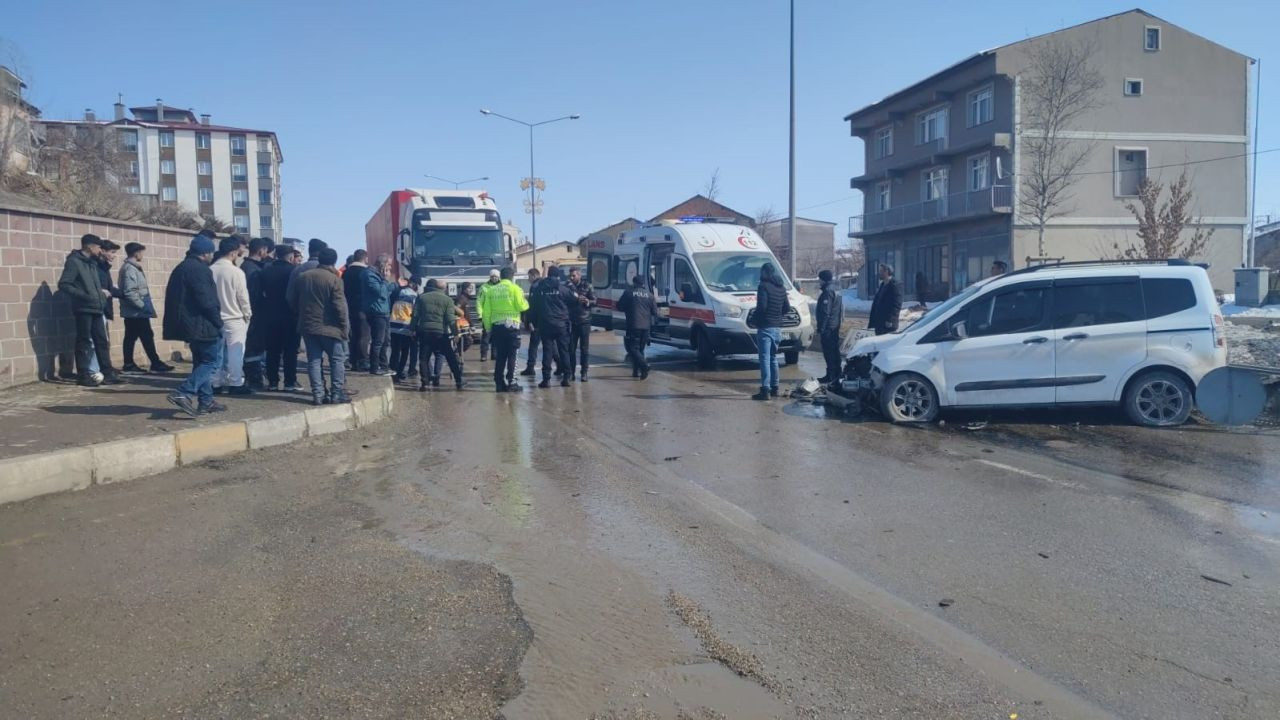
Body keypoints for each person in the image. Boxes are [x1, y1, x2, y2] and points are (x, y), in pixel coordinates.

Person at [163, 234, 225, 417]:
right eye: (211, 253)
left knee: (200, 362)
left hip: (189, 325)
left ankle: (206, 401)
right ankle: (183, 393)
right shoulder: (200, 270)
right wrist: (218, 321)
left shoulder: (181, 267)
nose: (212, 256)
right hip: (202, 324)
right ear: (205, 253)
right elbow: (206, 300)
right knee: (210, 362)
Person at [287, 247, 351, 405]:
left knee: (314, 361)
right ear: (334, 261)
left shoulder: (303, 277)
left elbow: (291, 299)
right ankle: (336, 393)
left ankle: (318, 395)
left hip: (308, 326)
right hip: (331, 327)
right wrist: (345, 328)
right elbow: (340, 307)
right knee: (337, 360)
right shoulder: (334, 279)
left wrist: (301, 314)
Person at [57, 234, 121, 386]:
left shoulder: (92, 263)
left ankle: (107, 373)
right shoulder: (74, 262)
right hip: (83, 308)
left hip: (97, 307)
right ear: (90, 246)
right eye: (99, 247)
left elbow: (97, 284)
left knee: (101, 341)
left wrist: (99, 295)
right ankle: (83, 375)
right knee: (84, 341)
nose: (100, 250)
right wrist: (84, 296)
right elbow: (64, 284)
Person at [118, 242, 173, 374]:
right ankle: (137, 364)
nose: (143, 255)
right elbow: (130, 292)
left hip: (136, 311)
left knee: (140, 336)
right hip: (136, 312)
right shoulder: (130, 269)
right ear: (136, 253)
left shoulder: (133, 268)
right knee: (140, 336)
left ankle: (149, 362)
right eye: (142, 252)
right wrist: (142, 306)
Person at [210, 237, 253, 395]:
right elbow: (243, 296)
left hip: (215, 317)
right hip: (235, 317)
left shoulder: (210, 270)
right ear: (234, 252)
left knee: (216, 352)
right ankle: (235, 382)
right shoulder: (236, 272)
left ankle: (215, 382)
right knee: (236, 352)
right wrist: (247, 314)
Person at [477, 266, 528, 392]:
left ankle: (499, 383)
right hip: (512, 326)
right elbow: (522, 306)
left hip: (497, 327)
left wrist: (488, 328)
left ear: (501, 276)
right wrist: (526, 302)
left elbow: (486, 312)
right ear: (512, 276)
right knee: (512, 355)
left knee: (500, 356)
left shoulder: (492, 290)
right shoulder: (515, 288)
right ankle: (512, 382)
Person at [261, 245, 303, 392]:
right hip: (290, 316)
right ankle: (290, 382)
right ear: (291, 257)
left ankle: (273, 382)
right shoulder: (294, 271)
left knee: (272, 351)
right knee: (290, 351)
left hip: (270, 315)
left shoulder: (266, 270)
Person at [412, 279, 467, 391]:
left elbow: (415, 315)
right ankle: (459, 381)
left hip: (425, 332)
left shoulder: (422, 298)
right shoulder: (447, 300)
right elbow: (451, 319)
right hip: (441, 333)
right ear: (444, 289)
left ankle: (425, 383)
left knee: (423, 358)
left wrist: (412, 329)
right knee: (450, 357)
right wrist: (456, 333)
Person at [529, 265, 576, 388]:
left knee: (547, 352)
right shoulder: (563, 289)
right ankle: (566, 378)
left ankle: (546, 379)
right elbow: (574, 301)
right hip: (561, 324)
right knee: (563, 351)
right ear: (557, 275)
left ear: (548, 274)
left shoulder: (539, 289)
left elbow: (533, 307)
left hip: (545, 324)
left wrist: (532, 322)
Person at [752, 263, 790, 401]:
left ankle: (765, 390)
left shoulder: (763, 286)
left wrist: (755, 319)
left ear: (764, 273)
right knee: (773, 358)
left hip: (765, 326)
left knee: (764, 359)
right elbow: (787, 307)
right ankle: (775, 388)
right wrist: (777, 315)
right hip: (777, 327)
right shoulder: (781, 288)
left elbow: (761, 307)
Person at [87, 240, 123, 378]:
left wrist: (124, 294)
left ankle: (104, 368)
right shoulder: (95, 266)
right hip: (96, 307)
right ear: (103, 251)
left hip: (103, 307)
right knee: (95, 340)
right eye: (112, 252)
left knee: (103, 340)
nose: (114, 256)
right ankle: (96, 370)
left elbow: (110, 288)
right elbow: (96, 287)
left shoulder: (104, 267)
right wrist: (101, 292)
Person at [241, 236, 273, 389]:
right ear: (261, 251)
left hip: (254, 314)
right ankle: (254, 379)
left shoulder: (246, 267)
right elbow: (253, 295)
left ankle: (254, 377)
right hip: (255, 315)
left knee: (254, 348)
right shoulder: (252, 270)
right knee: (254, 348)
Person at [617, 274, 657, 380]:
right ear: (643, 283)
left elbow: (619, 306)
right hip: (646, 327)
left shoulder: (629, 293)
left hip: (633, 325)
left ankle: (644, 366)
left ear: (634, 283)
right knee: (640, 349)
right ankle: (637, 372)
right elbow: (654, 312)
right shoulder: (650, 295)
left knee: (632, 349)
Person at [362, 254, 397, 376]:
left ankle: (384, 366)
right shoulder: (370, 274)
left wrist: (394, 285)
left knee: (386, 341)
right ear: (383, 264)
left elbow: (387, 290)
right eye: (389, 265)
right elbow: (380, 292)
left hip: (384, 311)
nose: (390, 268)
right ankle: (375, 368)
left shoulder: (378, 276)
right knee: (378, 341)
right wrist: (385, 279)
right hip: (376, 312)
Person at [815, 269, 844, 384]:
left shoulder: (827, 292)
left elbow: (825, 312)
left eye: (820, 279)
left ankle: (832, 375)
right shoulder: (835, 290)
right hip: (834, 325)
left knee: (829, 352)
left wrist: (821, 328)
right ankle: (835, 374)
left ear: (823, 279)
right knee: (834, 351)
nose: (819, 281)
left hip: (828, 328)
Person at [389, 276, 421, 382]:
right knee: (404, 352)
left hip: (393, 326)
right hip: (405, 327)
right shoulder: (414, 296)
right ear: (414, 284)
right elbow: (416, 314)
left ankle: (393, 371)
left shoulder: (397, 292)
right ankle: (399, 373)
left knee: (395, 351)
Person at [566, 268, 595, 382]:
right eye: (571, 276)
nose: (571, 278)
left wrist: (588, 301)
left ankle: (584, 373)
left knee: (584, 349)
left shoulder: (587, 285)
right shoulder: (568, 286)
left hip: (584, 321)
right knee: (571, 349)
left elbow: (595, 300)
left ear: (579, 275)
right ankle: (571, 373)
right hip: (572, 321)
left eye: (573, 276)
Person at [343, 249, 370, 372]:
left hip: (349, 306)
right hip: (362, 307)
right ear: (365, 258)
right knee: (364, 335)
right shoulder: (365, 272)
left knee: (353, 335)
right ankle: (363, 361)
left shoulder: (346, 273)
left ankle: (353, 360)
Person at [868, 263, 902, 337]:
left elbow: (897, 305)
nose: (879, 273)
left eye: (881, 271)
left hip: (888, 325)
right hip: (880, 324)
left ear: (886, 271)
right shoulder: (882, 285)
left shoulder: (894, 285)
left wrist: (890, 320)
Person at [519, 268, 542, 377]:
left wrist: (530, 322)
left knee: (533, 346)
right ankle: (561, 366)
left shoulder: (535, 286)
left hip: (537, 322)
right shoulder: (544, 284)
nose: (528, 279)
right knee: (550, 346)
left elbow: (533, 306)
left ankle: (530, 367)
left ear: (533, 276)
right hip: (547, 320)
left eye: (529, 277)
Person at [476, 269, 501, 362]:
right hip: (487, 317)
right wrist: (480, 314)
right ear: (490, 277)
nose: (494, 278)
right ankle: (484, 355)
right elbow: (479, 302)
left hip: (498, 316)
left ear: (499, 277)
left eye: (496, 276)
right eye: (492, 276)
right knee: (486, 337)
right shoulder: (484, 287)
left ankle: (494, 354)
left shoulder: (502, 287)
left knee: (496, 337)